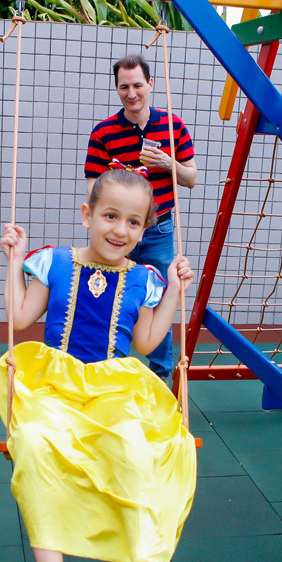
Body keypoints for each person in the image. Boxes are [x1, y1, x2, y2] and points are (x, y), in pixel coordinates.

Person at [0, 168, 198, 562]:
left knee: (139, 448)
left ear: (143, 230)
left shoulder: (143, 279)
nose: (120, 230)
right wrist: (14, 261)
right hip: (56, 386)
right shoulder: (54, 263)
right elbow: (20, 317)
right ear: (87, 215)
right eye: (110, 216)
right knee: (35, 444)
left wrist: (174, 292)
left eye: (133, 222)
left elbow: (146, 343)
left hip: (115, 389)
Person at [84, 55, 198, 381]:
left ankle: (161, 378)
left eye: (137, 85)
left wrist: (167, 163)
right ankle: (104, 371)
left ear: (150, 84)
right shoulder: (104, 132)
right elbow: (93, 189)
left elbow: (191, 178)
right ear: (117, 88)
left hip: (158, 229)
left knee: (159, 302)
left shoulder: (173, 126)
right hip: (117, 232)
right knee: (106, 294)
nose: (131, 93)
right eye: (124, 87)